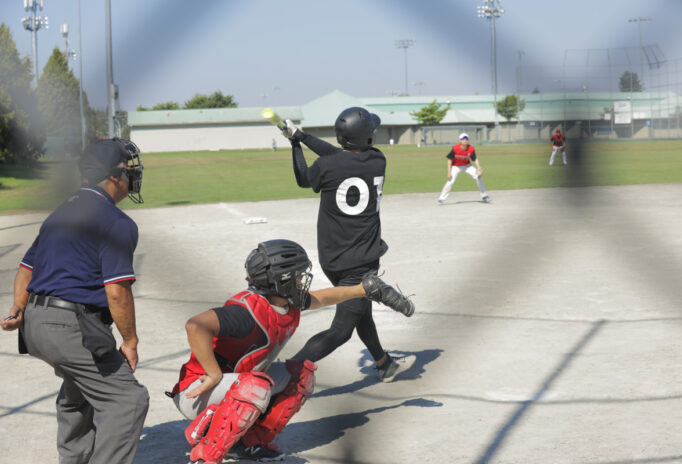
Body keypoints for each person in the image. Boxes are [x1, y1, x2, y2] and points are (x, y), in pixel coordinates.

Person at [169, 239, 413, 463]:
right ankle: (205, 456)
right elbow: (195, 326)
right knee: (256, 386)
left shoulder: (286, 303)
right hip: (197, 391)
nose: (302, 281)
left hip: (235, 386)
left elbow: (323, 298)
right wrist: (213, 373)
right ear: (281, 282)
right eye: (297, 277)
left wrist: (362, 289)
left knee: (301, 374)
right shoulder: (245, 312)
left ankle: (247, 443)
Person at [1, 138, 148, 464]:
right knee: (128, 400)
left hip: (34, 324)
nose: (132, 175)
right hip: (72, 327)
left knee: (78, 391)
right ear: (114, 176)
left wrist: (18, 309)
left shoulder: (61, 212)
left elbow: (26, 268)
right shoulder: (116, 221)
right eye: (128, 169)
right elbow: (117, 291)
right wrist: (130, 341)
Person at [275, 107, 415, 383]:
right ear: (366, 138)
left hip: (331, 258)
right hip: (360, 261)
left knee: (361, 311)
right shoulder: (378, 160)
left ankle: (384, 364)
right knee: (341, 331)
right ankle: (281, 374)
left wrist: (297, 142)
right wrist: (301, 137)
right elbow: (339, 156)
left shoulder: (327, 166)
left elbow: (305, 178)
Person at [437, 132, 490, 204]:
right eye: (463, 138)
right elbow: (449, 160)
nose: (465, 140)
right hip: (455, 166)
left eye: (466, 138)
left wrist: (478, 167)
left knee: (478, 176)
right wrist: (449, 172)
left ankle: (484, 196)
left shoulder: (471, 148)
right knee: (450, 181)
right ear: (460, 140)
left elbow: (474, 159)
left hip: (467, 166)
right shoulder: (455, 148)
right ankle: (441, 198)